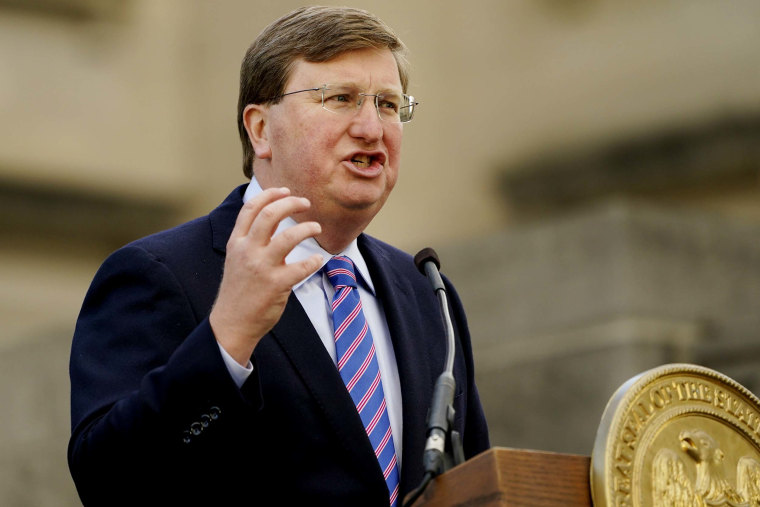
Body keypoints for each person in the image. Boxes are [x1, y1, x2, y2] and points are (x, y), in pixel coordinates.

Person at [68, 6, 489, 506]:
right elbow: (107, 479)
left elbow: (477, 481)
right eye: (341, 99)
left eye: (389, 106)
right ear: (261, 129)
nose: (372, 129)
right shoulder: (160, 274)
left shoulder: (427, 292)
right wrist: (228, 338)